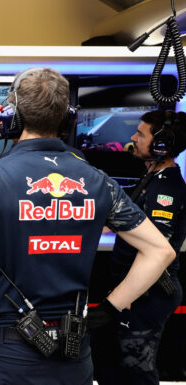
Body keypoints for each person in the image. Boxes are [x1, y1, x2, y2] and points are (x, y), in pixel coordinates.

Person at [0, 67, 176, 385]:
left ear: (11, 118)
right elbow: (160, 251)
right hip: (73, 351)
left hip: (7, 352)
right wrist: (108, 310)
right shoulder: (98, 180)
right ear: (68, 118)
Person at [93, 110, 186, 385]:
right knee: (107, 359)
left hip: (148, 292)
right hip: (133, 290)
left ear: (161, 146)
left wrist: (132, 292)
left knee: (136, 370)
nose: (133, 138)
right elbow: (129, 223)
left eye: (140, 134)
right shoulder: (151, 181)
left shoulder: (165, 190)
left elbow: (155, 250)